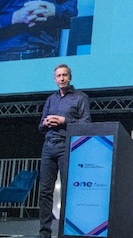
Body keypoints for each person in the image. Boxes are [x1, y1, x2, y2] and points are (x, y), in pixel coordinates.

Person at [38, 64, 90, 238]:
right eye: (58, 76)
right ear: (55, 79)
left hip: (66, 146)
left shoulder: (80, 97)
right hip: (48, 145)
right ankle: (44, 233)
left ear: (70, 77)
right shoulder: (50, 99)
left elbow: (86, 123)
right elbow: (40, 126)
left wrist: (64, 121)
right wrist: (45, 123)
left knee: (68, 191)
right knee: (45, 191)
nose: (61, 78)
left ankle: (67, 231)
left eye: (64, 75)